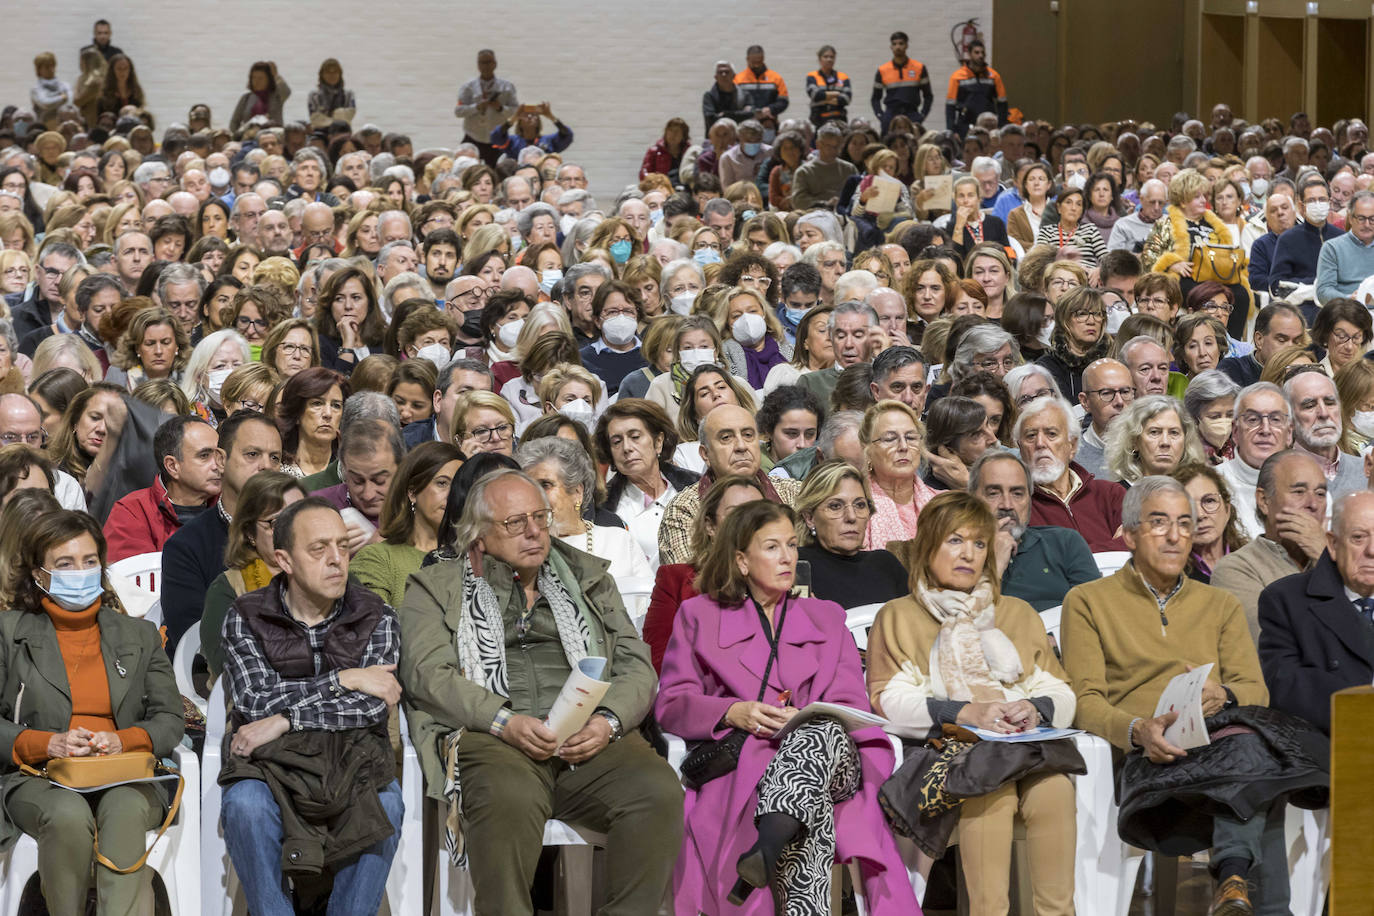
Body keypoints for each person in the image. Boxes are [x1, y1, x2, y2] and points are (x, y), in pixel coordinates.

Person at [398, 468, 681, 914]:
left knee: (657, 792)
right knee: (508, 798)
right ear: (479, 534)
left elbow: (636, 666)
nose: (533, 532)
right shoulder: (435, 588)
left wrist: (607, 722)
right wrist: (503, 720)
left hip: (587, 735)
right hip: (492, 735)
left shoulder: (589, 579)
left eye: (540, 518)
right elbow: (428, 674)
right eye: (515, 523)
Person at [1062, 476, 1324, 916]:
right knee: (1259, 764)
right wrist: (1137, 730)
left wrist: (1222, 693)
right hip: (1149, 754)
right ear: (1128, 534)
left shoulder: (1217, 604)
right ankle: (1249, 888)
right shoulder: (1087, 601)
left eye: (1185, 523)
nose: (1174, 535)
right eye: (1159, 522)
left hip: (1216, 738)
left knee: (1248, 748)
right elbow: (1085, 699)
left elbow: (1253, 688)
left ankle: (1236, 882)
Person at [656, 500, 919, 915]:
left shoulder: (825, 616)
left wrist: (807, 716)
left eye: (793, 546)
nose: (788, 558)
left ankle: (766, 845)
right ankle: (776, 843)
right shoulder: (698, 616)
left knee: (820, 732)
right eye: (772, 547)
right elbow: (671, 703)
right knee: (805, 805)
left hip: (834, 761)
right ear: (741, 560)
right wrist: (731, 712)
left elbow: (851, 700)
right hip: (749, 760)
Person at [868, 491, 1078, 915]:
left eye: (979, 544)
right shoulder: (899, 615)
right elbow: (888, 700)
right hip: (946, 749)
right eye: (955, 541)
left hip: (1022, 747)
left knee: (1055, 788)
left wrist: (1033, 708)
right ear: (928, 547)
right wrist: (962, 712)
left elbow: (1062, 691)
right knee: (987, 789)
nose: (969, 554)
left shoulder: (1016, 612)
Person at [218, 497, 404, 916]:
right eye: (319, 550)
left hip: (353, 757)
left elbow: (371, 709)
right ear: (284, 559)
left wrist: (286, 719)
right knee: (245, 805)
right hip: (268, 763)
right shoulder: (246, 616)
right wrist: (343, 678)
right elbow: (254, 700)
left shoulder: (377, 616)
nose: (337, 560)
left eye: (342, 546)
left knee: (389, 803)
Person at [0, 510, 184, 916]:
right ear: (39, 574)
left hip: (125, 771)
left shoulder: (138, 634)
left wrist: (125, 738)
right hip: (41, 774)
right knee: (65, 814)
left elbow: (170, 718)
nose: (80, 572)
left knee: (124, 809)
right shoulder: (9, 633)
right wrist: (49, 742)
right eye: (64, 564)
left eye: (89, 561)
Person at [161, 412, 283, 657]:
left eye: (275, 458)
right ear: (220, 459)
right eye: (252, 454)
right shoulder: (186, 546)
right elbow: (193, 639)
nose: (266, 466)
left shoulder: (296, 531)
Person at [1258, 488, 1374, 735]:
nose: (1372, 550)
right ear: (1332, 544)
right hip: (1332, 746)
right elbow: (1286, 685)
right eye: (1358, 537)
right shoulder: (1284, 600)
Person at [657, 404, 801, 565]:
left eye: (748, 435)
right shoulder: (684, 510)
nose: (741, 446)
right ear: (705, 454)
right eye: (726, 438)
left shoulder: (794, 492)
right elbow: (691, 581)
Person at [963, 450, 1101, 611]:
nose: (1007, 505)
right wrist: (995, 565)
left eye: (1017, 494)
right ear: (971, 500)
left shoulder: (1065, 542)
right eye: (993, 493)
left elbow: (1097, 615)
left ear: (1030, 499)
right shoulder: (957, 554)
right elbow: (963, 626)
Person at [1211, 449, 1327, 642]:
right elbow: (1275, 644)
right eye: (1299, 492)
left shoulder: (1349, 559)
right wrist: (1326, 563)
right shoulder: (1236, 569)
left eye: (1321, 493)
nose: (1313, 504)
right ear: (1264, 501)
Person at [200, 472, 307, 678]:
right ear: (249, 532)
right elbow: (230, 667)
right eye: (276, 522)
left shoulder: (332, 573)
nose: (293, 530)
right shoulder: (227, 590)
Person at [517, 436, 652, 581]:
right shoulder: (521, 548)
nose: (535, 495)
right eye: (529, 487)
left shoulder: (618, 541)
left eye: (545, 485)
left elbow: (648, 599)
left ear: (577, 492)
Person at [351, 441, 463, 608]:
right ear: (412, 492)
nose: (452, 495)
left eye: (459, 486)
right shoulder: (378, 559)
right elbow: (375, 629)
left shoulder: (473, 558)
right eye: (442, 483)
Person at [595, 399, 700, 569]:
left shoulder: (698, 487)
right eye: (616, 442)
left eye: (635, 437)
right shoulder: (603, 510)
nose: (627, 448)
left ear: (658, 442)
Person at [102, 415, 222, 562]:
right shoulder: (132, 512)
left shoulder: (233, 506)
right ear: (172, 466)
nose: (217, 465)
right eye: (204, 456)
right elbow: (134, 581)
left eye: (219, 455)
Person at [796, 459, 909, 608]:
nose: (851, 516)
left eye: (860, 505)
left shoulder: (886, 564)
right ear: (809, 517)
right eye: (835, 506)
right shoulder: (796, 565)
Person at [1018, 395, 1126, 550]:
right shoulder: (1017, 506)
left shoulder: (1110, 494)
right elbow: (1040, 566)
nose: (1040, 443)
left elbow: (1136, 546)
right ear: (1020, 449)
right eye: (1030, 436)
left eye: (1051, 434)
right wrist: (1111, 546)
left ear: (1072, 446)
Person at [1217, 381, 1296, 539]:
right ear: (1235, 432)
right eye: (1253, 419)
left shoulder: (1311, 487)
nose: (1265, 430)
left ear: (1289, 433)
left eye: (1275, 420)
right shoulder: (1213, 484)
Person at [861, 399, 940, 549]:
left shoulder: (943, 503)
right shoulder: (856, 508)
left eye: (911, 437)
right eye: (890, 439)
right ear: (868, 450)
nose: (903, 446)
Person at [1286, 369, 1365, 502]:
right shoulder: (1277, 476)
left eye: (1330, 403)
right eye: (1309, 405)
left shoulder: (1366, 471)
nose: (1323, 413)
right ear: (1289, 418)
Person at [1104, 394, 1205, 484]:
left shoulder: (1198, 494)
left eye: (1174, 433)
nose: (1165, 442)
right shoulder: (1114, 497)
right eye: (1154, 432)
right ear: (1134, 441)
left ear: (1186, 441)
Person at [1269, 175, 1342, 300]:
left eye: (1322, 199)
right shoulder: (1288, 239)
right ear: (1302, 206)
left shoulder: (1340, 237)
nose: (1318, 204)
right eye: (1312, 200)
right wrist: (1315, 285)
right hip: (1302, 305)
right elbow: (1277, 284)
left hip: (1337, 302)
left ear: (1329, 203)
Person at [1036, 286, 1111, 401]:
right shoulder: (1047, 368)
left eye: (1097, 314)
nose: (1091, 321)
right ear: (1063, 318)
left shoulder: (1112, 361)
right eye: (1081, 314)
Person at [1217, 301, 1307, 388]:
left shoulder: (1306, 372)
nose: (1290, 348)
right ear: (1259, 340)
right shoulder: (1232, 370)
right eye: (1281, 340)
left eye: (1297, 342)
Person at [1074, 358, 1135, 478]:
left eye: (1125, 392)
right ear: (1085, 401)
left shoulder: (1149, 449)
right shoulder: (1070, 458)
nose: (1119, 402)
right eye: (1106, 393)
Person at [945, 40, 1007, 136]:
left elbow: (1002, 103)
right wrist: (951, 130)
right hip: (965, 125)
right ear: (969, 54)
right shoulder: (957, 76)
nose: (980, 55)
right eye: (977, 52)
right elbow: (950, 106)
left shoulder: (993, 76)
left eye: (982, 52)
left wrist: (1001, 127)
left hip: (988, 126)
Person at [872, 31, 932, 131]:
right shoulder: (883, 70)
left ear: (906, 45)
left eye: (901, 43)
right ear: (891, 47)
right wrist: (881, 116)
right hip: (890, 114)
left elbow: (928, 95)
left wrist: (922, 115)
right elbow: (875, 98)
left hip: (912, 114)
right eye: (894, 44)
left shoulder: (919, 68)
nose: (898, 47)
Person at [791, 122, 857, 212]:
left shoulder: (849, 169)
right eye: (829, 146)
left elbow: (858, 194)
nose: (834, 150)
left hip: (844, 214)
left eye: (837, 146)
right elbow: (798, 201)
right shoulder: (805, 171)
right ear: (818, 145)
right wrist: (825, 204)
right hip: (814, 216)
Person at [1311, 296, 1371, 378]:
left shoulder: (1370, 375)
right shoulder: (1313, 377)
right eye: (1342, 336)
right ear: (1325, 334)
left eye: (1356, 337)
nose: (1349, 347)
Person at [228, 61, 291, 134]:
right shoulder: (246, 98)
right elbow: (234, 122)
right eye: (253, 77)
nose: (256, 81)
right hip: (250, 139)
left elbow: (286, 92)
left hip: (273, 138)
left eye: (260, 78)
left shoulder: (276, 96)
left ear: (269, 79)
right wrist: (240, 136)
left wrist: (276, 75)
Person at [1108, 178, 1168, 253]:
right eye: (1152, 202)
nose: (1156, 207)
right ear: (1141, 199)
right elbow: (1112, 258)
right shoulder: (1123, 225)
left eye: (1161, 203)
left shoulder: (1173, 224)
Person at [805, 45, 851, 126]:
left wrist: (823, 99)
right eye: (825, 57)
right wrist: (837, 94)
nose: (829, 59)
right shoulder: (812, 76)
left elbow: (847, 99)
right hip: (818, 120)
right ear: (819, 59)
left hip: (839, 119)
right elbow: (815, 95)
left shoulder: (843, 77)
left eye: (832, 57)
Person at [307, 58, 356, 126]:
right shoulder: (314, 96)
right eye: (328, 72)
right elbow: (315, 118)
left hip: (343, 132)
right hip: (320, 132)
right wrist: (335, 122)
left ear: (340, 74)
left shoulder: (348, 95)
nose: (332, 75)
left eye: (335, 72)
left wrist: (338, 114)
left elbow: (350, 114)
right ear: (322, 75)